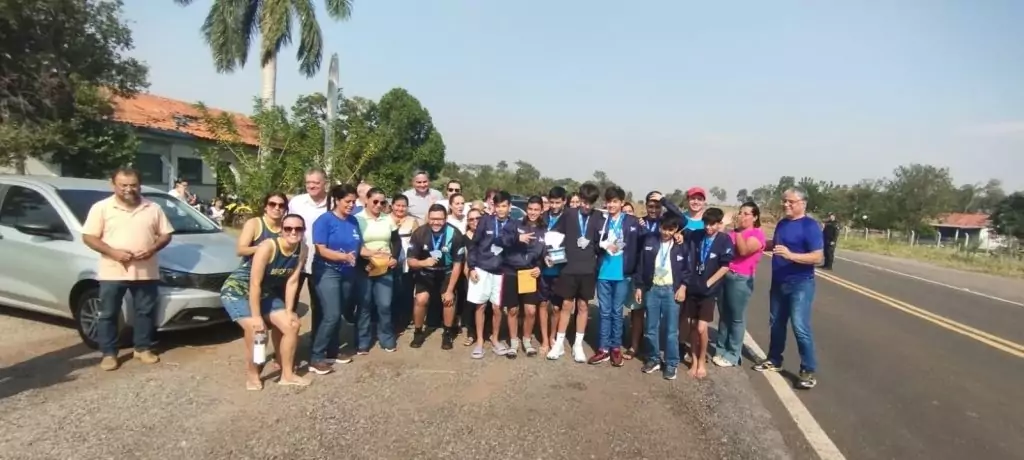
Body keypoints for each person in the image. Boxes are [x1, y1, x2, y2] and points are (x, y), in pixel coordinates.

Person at [81, 167, 173, 371]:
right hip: (113, 270)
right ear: (113, 184)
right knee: (108, 313)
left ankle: (142, 348)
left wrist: (152, 249)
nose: (128, 189)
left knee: (145, 312)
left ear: (139, 185)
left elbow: (166, 234)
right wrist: (113, 252)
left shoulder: (153, 208)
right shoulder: (101, 208)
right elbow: (88, 237)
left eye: (133, 185)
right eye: (123, 185)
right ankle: (109, 353)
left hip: (146, 271)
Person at [220, 214, 310, 389]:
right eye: (288, 228)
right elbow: (254, 283)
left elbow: (292, 281)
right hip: (238, 291)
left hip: (264, 292)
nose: (293, 232)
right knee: (258, 332)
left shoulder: (302, 249)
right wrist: (256, 317)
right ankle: (253, 374)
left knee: (292, 324)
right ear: (281, 231)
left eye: (298, 228)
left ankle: (287, 374)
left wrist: (290, 310)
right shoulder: (268, 246)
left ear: (303, 230)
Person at [754, 188, 824, 390]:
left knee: (800, 326)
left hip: (800, 283)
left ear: (803, 203)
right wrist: (755, 243)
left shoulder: (810, 226)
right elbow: (775, 245)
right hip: (779, 282)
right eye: (784, 201)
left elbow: (817, 257)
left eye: (791, 202)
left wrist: (791, 255)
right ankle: (774, 359)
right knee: (776, 323)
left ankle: (808, 370)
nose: (786, 205)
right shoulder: (783, 223)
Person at [547, 183, 604, 362]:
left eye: (590, 203)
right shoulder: (569, 214)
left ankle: (578, 345)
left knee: (583, 306)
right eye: (584, 202)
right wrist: (551, 255)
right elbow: (555, 235)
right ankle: (559, 344)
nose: (586, 206)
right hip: (568, 268)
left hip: (588, 269)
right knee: (565, 305)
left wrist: (592, 244)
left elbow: (603, 242)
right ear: (579, 199)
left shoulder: (599, 217)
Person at [308, 184, 362, 374]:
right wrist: (343, 257)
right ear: (337, 200)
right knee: (331, 314)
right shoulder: (324, 221)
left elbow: (358, 248)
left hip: (348, 272)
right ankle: (316, 357)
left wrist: (376, 255)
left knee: (337, 313)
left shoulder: (353, 221)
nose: (351, 205)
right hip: (327, 271)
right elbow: (321, 249)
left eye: (354, 201)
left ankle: (331, 352)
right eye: (348, 201)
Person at [634, 213, 690, 380]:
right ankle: (653, 359)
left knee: (671, 331)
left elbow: (688, 269)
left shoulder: (682, 245)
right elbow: (641, 265)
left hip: (671, 291)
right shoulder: (650, 242)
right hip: (652, 289)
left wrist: (683, 288)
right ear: (659, 227)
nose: (666, 232)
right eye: (664, 228)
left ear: (676, 230)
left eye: (671, 229)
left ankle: (671, 363)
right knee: (651, 328)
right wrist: (639, 287)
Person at [590, 186, 641, 367]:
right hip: (604, 273)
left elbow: (644, 242)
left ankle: (616, 347)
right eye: (609, 201)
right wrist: (602, 245)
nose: (611, 205)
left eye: (615, 201)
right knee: (604, 312)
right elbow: (594, 245)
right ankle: (603, 348)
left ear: (621, 202)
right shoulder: (601, 221)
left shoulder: (632, 222)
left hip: (622, 274)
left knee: (617, 312)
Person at [712, 202, 766, 368]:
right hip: (725, 275)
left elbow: (743, 251)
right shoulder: (732, 233)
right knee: (724, 315)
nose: (742, 216)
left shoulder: (756, 234)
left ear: (755, 217)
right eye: (740, 213)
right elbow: (715, 237)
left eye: (746, 214)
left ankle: (733, 354)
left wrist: (737, 231)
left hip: (741, 278)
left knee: (736, 318)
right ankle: (720, 349)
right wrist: (724, 224)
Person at [683, 207, 734, 379]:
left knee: (701, 327)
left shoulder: (724, 240)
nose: (708, 228)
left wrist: (708, 283)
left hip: (709, 291)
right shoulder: (697, 235)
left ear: (719, 224)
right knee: (691, 325)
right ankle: (694, 359)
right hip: (692, 288)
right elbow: (681, 226)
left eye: (712, 225)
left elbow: (725, 266)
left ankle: (702, 360)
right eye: (706, 224)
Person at [407, 204, 466, 350]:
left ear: (445, 219)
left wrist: (450, 290)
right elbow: (410, 261)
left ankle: (447, 333)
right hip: (425, 272)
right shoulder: (420, 233)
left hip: (446, 272)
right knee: (421, 299)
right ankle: (418, 331)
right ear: (428, 218)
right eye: (432, 219)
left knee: (448, 300)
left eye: (440, 219)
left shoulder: (455, 234)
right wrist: (423, 262)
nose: (436, 222)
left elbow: (458, 264)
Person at [496, 196, 547, 358]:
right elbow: (500, 240)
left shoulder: (544, 230)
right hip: (511, 271)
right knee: (512, 310)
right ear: (527, 209)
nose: (532, 213)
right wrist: (517, 238)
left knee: (531, 311)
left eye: (536, 210)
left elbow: (546, 255)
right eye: (530, 209)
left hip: (529, 274)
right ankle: (513, 342)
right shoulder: (514, 224)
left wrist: (540, 267)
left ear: (541, 210)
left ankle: (526, 340)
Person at [467, 191, 513, 358]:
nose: (500, 209)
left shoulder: (513, 224)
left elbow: (512, 247)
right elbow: (474, 244)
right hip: (482, 268)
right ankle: (479, 341)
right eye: (497, 206)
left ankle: (494, 338)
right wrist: (471, 267)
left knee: (497, 307)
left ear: (509, 207)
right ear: (492, 206)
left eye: (504, 206)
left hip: (501, 271)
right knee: (480, 306)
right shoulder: (485, 221)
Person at [288, 168, 329, 346]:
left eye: (316, 182)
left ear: (325, 183)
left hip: (322, 263)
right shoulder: (297, 202)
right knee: (289, 305)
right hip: (297, 261)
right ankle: (285, 348)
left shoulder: (333, 203)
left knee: (320, 306)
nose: (311, 186)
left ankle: (317, 346)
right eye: (308, 183)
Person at [355, 187, 400, 353]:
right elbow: (354, 244)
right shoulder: (357, 219)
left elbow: (396, 242)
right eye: (375, 201)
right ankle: (362, 341)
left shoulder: (388, 219)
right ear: (366, 200)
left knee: (384, 304)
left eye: (382, 202)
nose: (379, 205)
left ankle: (386, 338)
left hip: (384, 268)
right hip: (364, 268)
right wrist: (362, 262)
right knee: (364, 305)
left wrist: (394, 257)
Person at [539, 186, 567, 351]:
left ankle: (553, 336)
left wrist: (558, 259)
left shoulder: (568, 219)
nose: (555, 205)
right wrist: (543, 257)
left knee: (556, 307)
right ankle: (544, 339)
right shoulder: (543, 218)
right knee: (542, 305)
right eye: (552, 202)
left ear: (564, 201)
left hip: (560, 269)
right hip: (543, 269)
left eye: (558, 202)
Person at [390, 194, 419, 333]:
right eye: (398, 205)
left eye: (403, 206)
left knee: (406, 290)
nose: (400, 208)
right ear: (392, 205)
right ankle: (393, 319)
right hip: (390, 259)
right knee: (392, 290)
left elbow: (417, 241)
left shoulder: (412, 221)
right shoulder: (385, 219)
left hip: (407, 260)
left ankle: (405, 319)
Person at [235, 193, 288, 260]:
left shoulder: (288, 228)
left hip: (276, 269)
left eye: (281, 205)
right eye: (272, 204)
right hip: (250, 267)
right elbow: (240, 251)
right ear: (265, 207)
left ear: (285, 209)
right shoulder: (254, 223)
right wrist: (266, 248)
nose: (277, 208)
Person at [459, 208, 483, 346]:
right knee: (470, 305)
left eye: (477, 218)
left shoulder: (487, 235)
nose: (475, 221)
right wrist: (468, 273)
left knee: (486, 305)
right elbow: (462, 260)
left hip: (486, 273)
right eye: (471, 219)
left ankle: (486, 331)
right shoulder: (463, 238)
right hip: (469, 274)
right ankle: (471, 333)